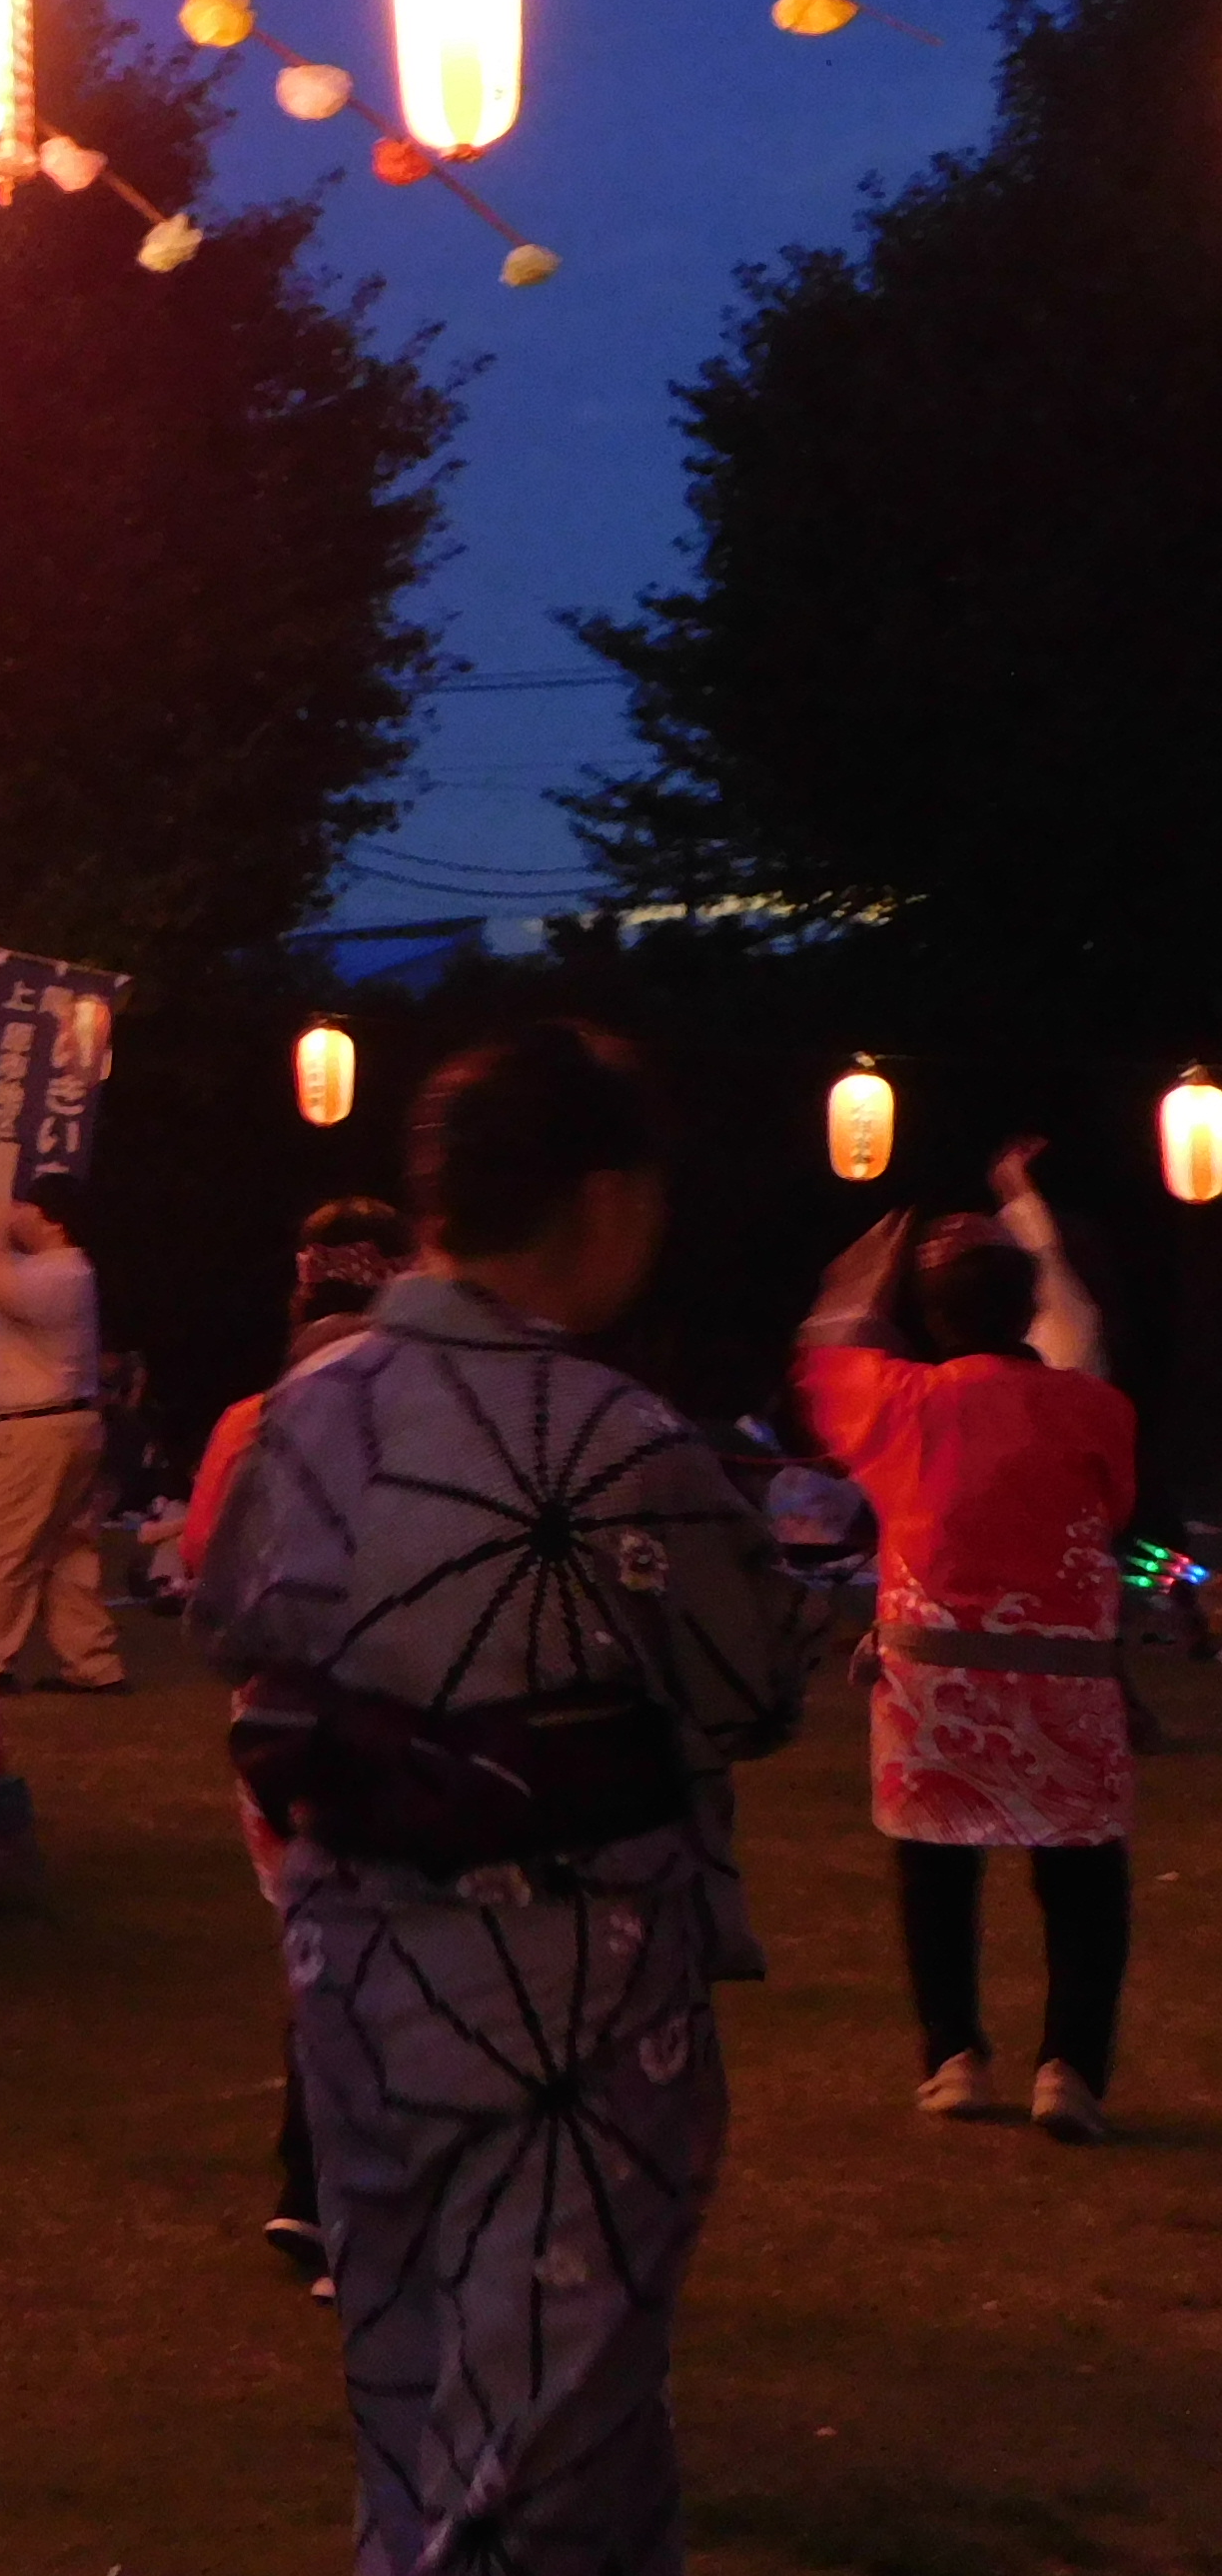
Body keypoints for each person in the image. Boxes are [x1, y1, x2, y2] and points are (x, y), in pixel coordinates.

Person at [195, 1023, 820, 2576]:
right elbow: (750, 1690)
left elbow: (235, 1625)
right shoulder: (616, 1445)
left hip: (352, 1968)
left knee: (411, 2383)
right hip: (573, 1983)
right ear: (605, 1204)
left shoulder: (304, 1412)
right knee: (558, 2423)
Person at [795, 1168, 1139, 2142]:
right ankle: (1068, 2068)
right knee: (1081, 1881)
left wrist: (866, 1267)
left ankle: (953, 2058)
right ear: (1024, 1302)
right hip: (1065, 1683)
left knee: (936, 1874)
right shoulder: (1093, 1410)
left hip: (933, 1680)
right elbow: (1109, 1506)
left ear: (930, 1316)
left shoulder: (896, 1402)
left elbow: (827, 1344)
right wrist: (1038, 1221)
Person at [178, 1194, 408, 2294]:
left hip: (274, 1725)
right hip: (402, 1712)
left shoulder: (250, 1419)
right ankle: (351, 2206)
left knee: (319, 1954)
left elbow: (198, 1568)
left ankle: (304, 2192)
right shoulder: (435, 1409)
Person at [0, 1154, 119, 1693]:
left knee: (1, 1547)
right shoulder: (65, 1272)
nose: (16, 1214)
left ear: (52, 1218)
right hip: (63, 1425)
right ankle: (93, 1663)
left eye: (25, 1206)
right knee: (68, 1553)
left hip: (32, 1431)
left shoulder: (61, 1271)